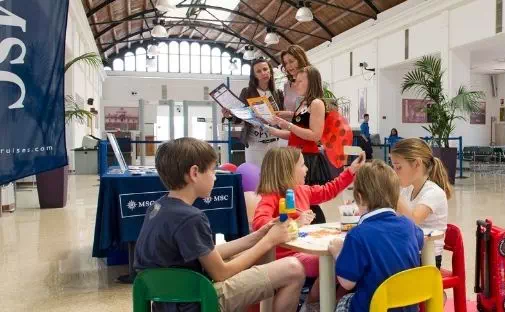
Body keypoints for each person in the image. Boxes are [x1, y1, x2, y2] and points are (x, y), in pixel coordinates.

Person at [133, 137, 304, 312]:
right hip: (198, 300)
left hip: (171, 302)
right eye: (213, 171)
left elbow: (208, 253)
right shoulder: (191, 218)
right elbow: (221, 273)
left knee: (263, 255)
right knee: (294, 269)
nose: (215, 177)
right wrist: (269, 241)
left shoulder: (158, 207)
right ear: (194, 173)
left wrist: (259, 236)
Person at [253, 147, 365, 302]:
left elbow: (329, 190)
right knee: (335, 260)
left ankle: (332, 303)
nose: (307, 169)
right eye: (302, 165)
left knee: (345, 259)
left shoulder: (302, 190)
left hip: (305, 252)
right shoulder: (271, 196)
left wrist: (351, 171)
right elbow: (259, 223)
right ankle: (312, 304)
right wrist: (293, 223)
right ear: (287, 170)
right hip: (286, 257)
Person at [328, 160, 423, 312]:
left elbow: (347, 283)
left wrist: (337, 252)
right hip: (408, 305)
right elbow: (419, 240)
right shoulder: (409, 226)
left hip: (374, 307)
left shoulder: (357, 235)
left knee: (342, 301)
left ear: (359, 197)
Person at [269, 66, 333, 224]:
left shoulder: (317, 103)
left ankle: (315, 227)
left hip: (308, 158)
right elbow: (298, 134)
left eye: (299, 81)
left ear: (311, 82)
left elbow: (315, 135)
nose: (295, 84)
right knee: (297, 198)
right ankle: (300, 224)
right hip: (297, 155)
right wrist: (275, 131)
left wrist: (287, 125)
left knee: (308, 200)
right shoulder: (304, 102)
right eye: (295, 81)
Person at [391, 138, 451, 268]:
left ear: (417, 164)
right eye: (394, 168)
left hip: (426, 259)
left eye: (398, 167)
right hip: (409, 253)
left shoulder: (433, 192)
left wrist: (393, 192)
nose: (395, 173)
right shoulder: (408, 190)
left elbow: (414, 219)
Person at [222, 58, 286, 167]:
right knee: (256, 177)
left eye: (265, 69)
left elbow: (282, 116)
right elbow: (238, 118)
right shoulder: (247, 92)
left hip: (275, 142)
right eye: (259, 71)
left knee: (274, 178)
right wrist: (228, 116)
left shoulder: (278, 93)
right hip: (254, 144)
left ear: (270, 71)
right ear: (254, 75)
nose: (263, 73)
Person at [278, 45, 312, 114]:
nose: (288, 66)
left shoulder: (311, 80)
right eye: (285, 63)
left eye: (291, 61)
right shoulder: (287, 85)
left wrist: (289, 114)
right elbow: (286, 108)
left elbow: (312, 111)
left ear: (301, 60)